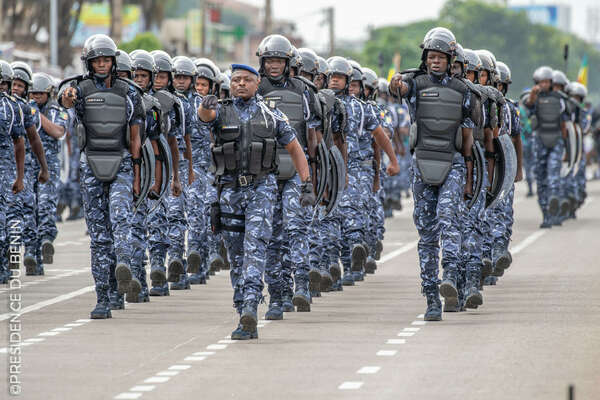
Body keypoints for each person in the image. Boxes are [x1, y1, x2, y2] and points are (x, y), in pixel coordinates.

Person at [197, 63, 314, 340]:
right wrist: (204, 106)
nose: (240, 84)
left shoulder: (271, 114)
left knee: (255, 247)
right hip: (229, 192)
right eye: (236, 79)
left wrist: (306, 183)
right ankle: (242, 307)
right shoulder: (220, 110)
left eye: (246, 80)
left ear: (257, 83)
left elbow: (295, 149)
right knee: (236, 255)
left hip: (262, 189)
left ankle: (251, 306)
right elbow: (204, 118)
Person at [389, 28, 475, 321]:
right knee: (426, 234)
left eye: (441, 57)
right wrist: (396, 84)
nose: (436, 61)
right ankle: (431, 297)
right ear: (425, 58)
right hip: (422, 164)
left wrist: (469, 176)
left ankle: (450, 276)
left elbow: (469, 134)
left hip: (452, 164)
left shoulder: (463, 91)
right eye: (431, 56)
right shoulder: (415, 82)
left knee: (449, 220)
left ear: (450, 59)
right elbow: (398, 90)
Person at [60, 34, 145, 319]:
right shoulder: (79, 89)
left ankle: (124, 264)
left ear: (113, 61)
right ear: (88, 62)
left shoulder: (129, 92)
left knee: (121, 220)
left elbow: (135, 138)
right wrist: (68, 97)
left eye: (106, 59)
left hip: (121, 163)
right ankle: (104, 297)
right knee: (98, 236)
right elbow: (65, 100)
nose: (101, 64)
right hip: (91, 165)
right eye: (96, 60)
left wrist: (136, 175)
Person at [257, 34, 322, 315]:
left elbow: (314, 137)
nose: (274, 65)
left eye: (278, 60)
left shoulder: (304, 91)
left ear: (288, 62)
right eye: (269, 60)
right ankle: (277, 294)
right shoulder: (254, 89)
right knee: (271, 234)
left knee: (296, 228)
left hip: (296, 169)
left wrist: (312, 178)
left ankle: (302, 287)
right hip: (265, 171)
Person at [30, 72, 68, 275]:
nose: (35, 98)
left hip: (49, 167)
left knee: (45, 206)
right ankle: (33, 258)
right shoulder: (23, 108)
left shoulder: (56, 110)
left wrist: (36, 115)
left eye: (39, 94)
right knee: (29, 210)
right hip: (27, 165)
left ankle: (46, 241)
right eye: (32, 94)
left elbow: (58, 131)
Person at [525, 66, 569, 228]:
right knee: (541, 179)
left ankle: (555, 212)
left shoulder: (560, 98)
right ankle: (546, 215)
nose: (544, 84)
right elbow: (529, 106)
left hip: (556, 140)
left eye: (546, 81)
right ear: (536, 82)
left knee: (553, 177)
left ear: (551, 82)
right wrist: (533, 94)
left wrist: (567, 148)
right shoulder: (534, 99)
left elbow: (564, 123)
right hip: (540, 141)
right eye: (540, 82)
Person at [0, 61, 26, 284]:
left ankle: (2, 263)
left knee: (3, 216)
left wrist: (19, 176)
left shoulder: (11, 107)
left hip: (3, 166)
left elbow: (20, 142)